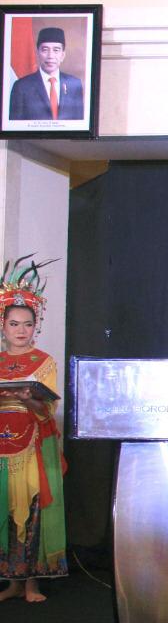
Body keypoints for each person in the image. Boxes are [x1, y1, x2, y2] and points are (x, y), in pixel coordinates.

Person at [0, 258, 66, 603]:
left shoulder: (44, 362)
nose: (20, 330)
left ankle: (31, 583)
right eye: (14, 324)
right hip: (1, 449)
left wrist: (29, 400)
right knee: (6, 514)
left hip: (32, 448)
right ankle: (11, 581)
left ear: (35, 327)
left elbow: (48, 409)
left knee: (33, 511)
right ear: (3, 325)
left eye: (27, 324)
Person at [8, 27, 85, 121]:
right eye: (45, 50)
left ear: (63, 55)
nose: (50, 56)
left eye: (56, 50)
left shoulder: (74, 84)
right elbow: (15, 126)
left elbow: (79, 122)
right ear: (37, 53)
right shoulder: (21, 86)